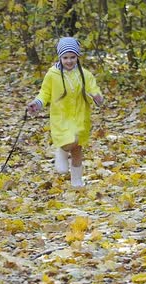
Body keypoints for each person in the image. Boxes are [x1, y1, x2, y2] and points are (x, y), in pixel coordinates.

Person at [27, 37, 103, 188]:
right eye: (65, 57)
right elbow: (45, 93)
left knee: (77, 149)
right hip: (61, 118)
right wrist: (37, 104)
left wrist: (97, 97)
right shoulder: (52, 74)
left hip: (81, 117)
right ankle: (61, 151)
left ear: (77, 57)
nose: (69, 61)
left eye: (72, 57)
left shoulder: (85, 74)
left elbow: (95, 92)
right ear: (60, 57)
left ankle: (76, 181)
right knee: (71, 140)